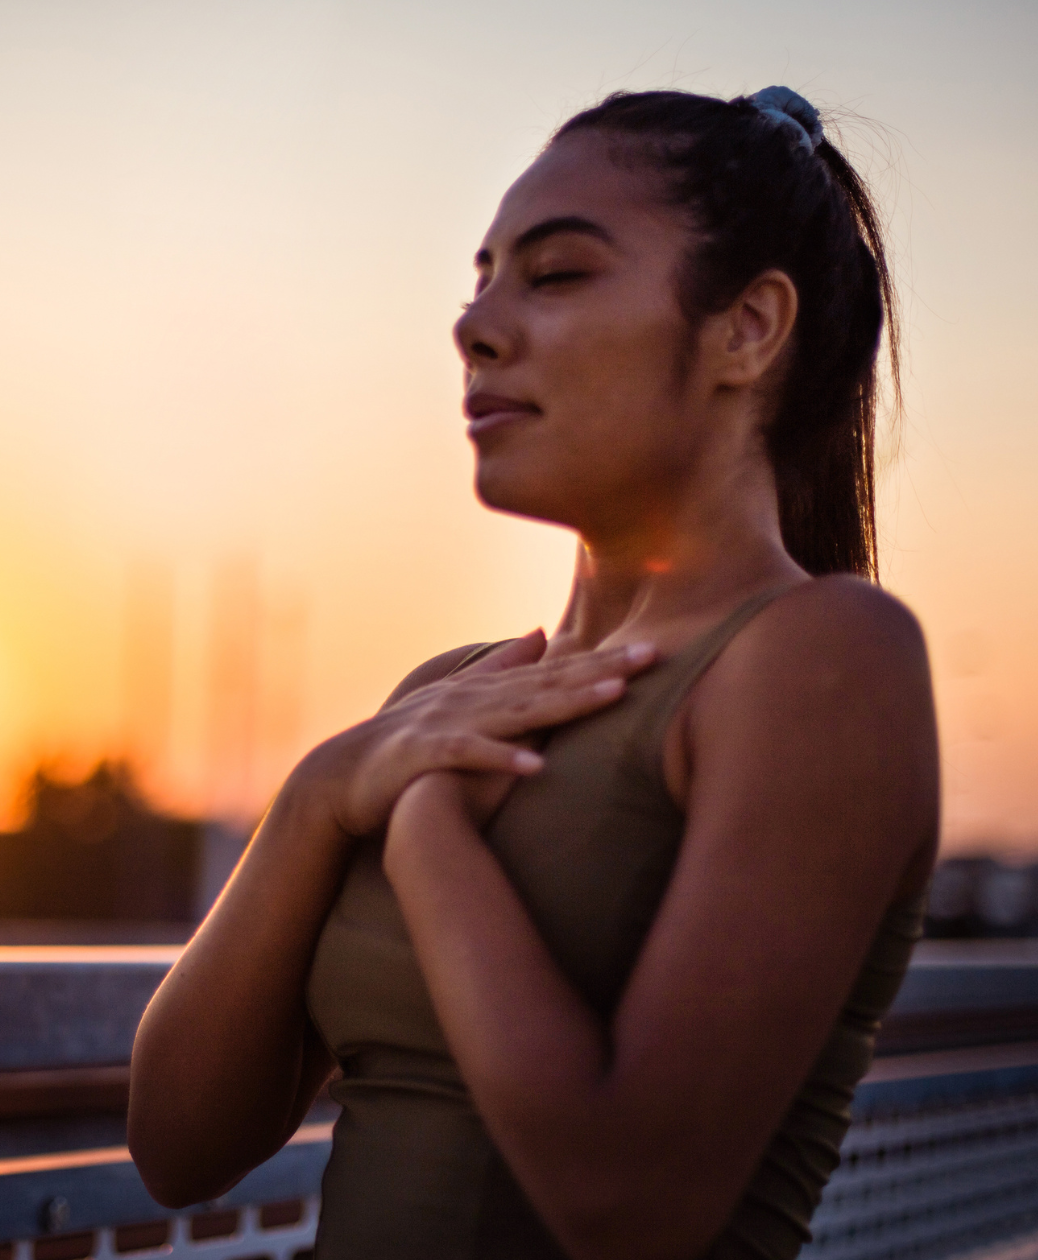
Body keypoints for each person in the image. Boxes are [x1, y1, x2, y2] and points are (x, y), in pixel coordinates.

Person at [127, 86, 939, 1260]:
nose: (474, 326)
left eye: (553, 275)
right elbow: (176, 1148)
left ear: (747, 328)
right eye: (480, 277)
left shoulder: (823, 656)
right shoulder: (444, 700)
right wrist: (317, 794)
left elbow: (629, 1210)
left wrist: (418, 827)